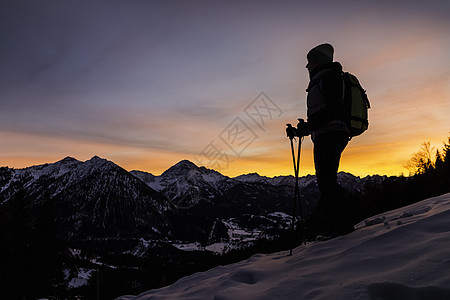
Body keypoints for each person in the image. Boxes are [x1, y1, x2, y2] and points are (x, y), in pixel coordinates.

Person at [304, 43, 354, 236]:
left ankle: (341, 228)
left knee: (327, 181)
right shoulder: (324, 78)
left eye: (310, 61)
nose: (307, 66)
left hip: (330, 133)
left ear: (319, 61)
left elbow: (332, 109)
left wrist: (310, 126)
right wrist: (305, 128)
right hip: (328, 132)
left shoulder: (329, 77)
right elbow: (324, 111)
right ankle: (338, 225)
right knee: (326, 180)